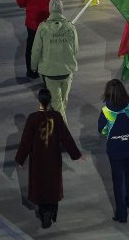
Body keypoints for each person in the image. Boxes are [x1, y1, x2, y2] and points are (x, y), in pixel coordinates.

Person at [15, 88, 85, 228]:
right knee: (53, 185)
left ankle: (44, 213)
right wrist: (76, 154)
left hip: (38, 160)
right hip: (53, 158)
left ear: (39, 100)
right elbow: (66, 137)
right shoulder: (57, 117)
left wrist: (20, 160)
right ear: (50, 100)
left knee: (41, 185)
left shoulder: (33, 118)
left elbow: (26, 141)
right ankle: (52, 212)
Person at [98, 79, 129, 223]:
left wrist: (111, 133)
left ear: (108, 93)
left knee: (118, 181)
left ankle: (121, 214)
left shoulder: (106, 111)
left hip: (116, 150)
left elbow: (102, 130)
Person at [30, 0, 78, 120]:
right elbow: (75, 49)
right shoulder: (70, 27)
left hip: (50, 72)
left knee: (57, 104)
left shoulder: (43, 28)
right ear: (62, 9)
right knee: (62, 103)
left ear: (50, 10)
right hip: (67, 70)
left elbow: (36, 50)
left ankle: (59, 128)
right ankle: (59, 127)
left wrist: (33, 67)